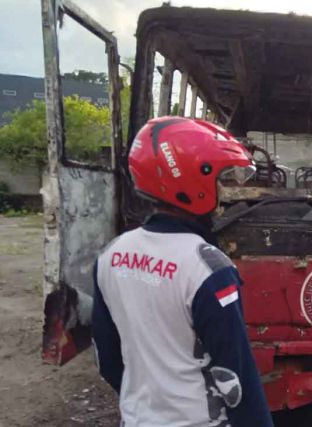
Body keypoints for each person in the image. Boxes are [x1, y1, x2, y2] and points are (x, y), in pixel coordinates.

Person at [91, 117, 273, 427]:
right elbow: (236, 378)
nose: (224, 193)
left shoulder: (111, 255)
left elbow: (107, 359)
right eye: (219, 179)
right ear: (193, 183)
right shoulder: (208, 268)